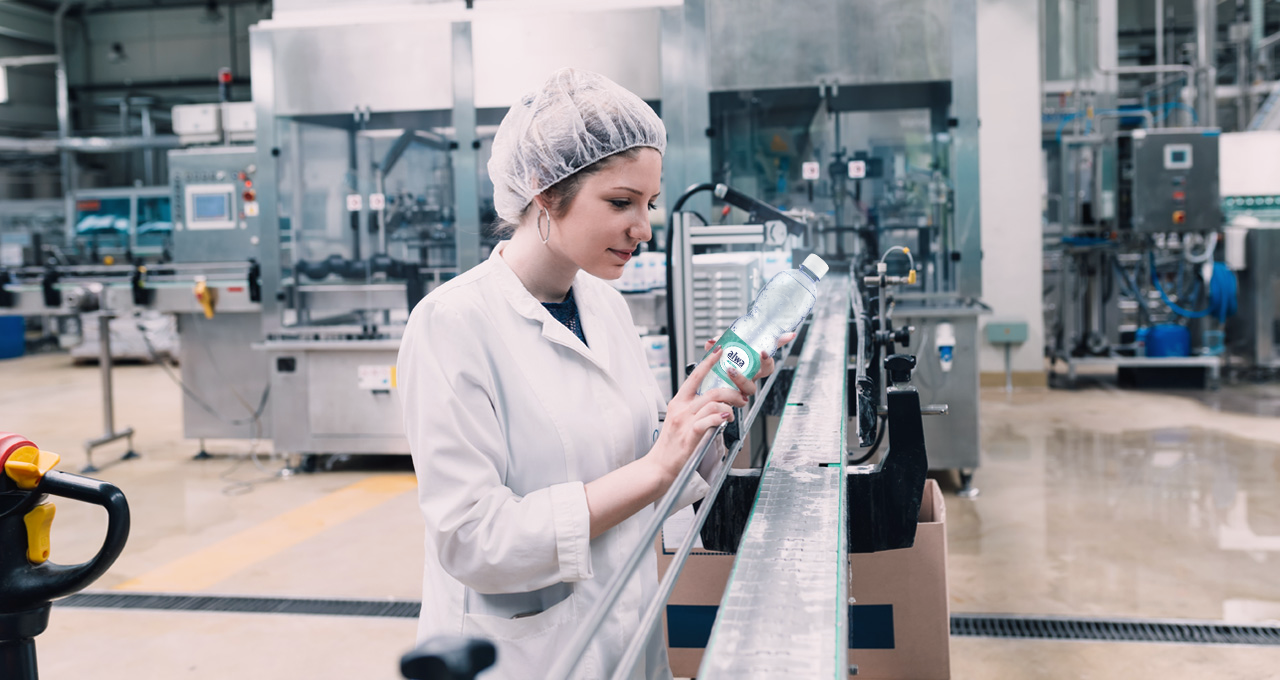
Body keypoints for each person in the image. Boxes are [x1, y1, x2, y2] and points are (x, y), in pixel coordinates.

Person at [396, 68, 789, 679]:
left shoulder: (604, 304)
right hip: (523, 655)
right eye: (620, 202)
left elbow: (635, 466)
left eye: (650, 204)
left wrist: (701, 426)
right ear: (544, 190)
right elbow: (473, 540)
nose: (644, 227)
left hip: (628, 631)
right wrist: (659, 465)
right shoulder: (451, 324)